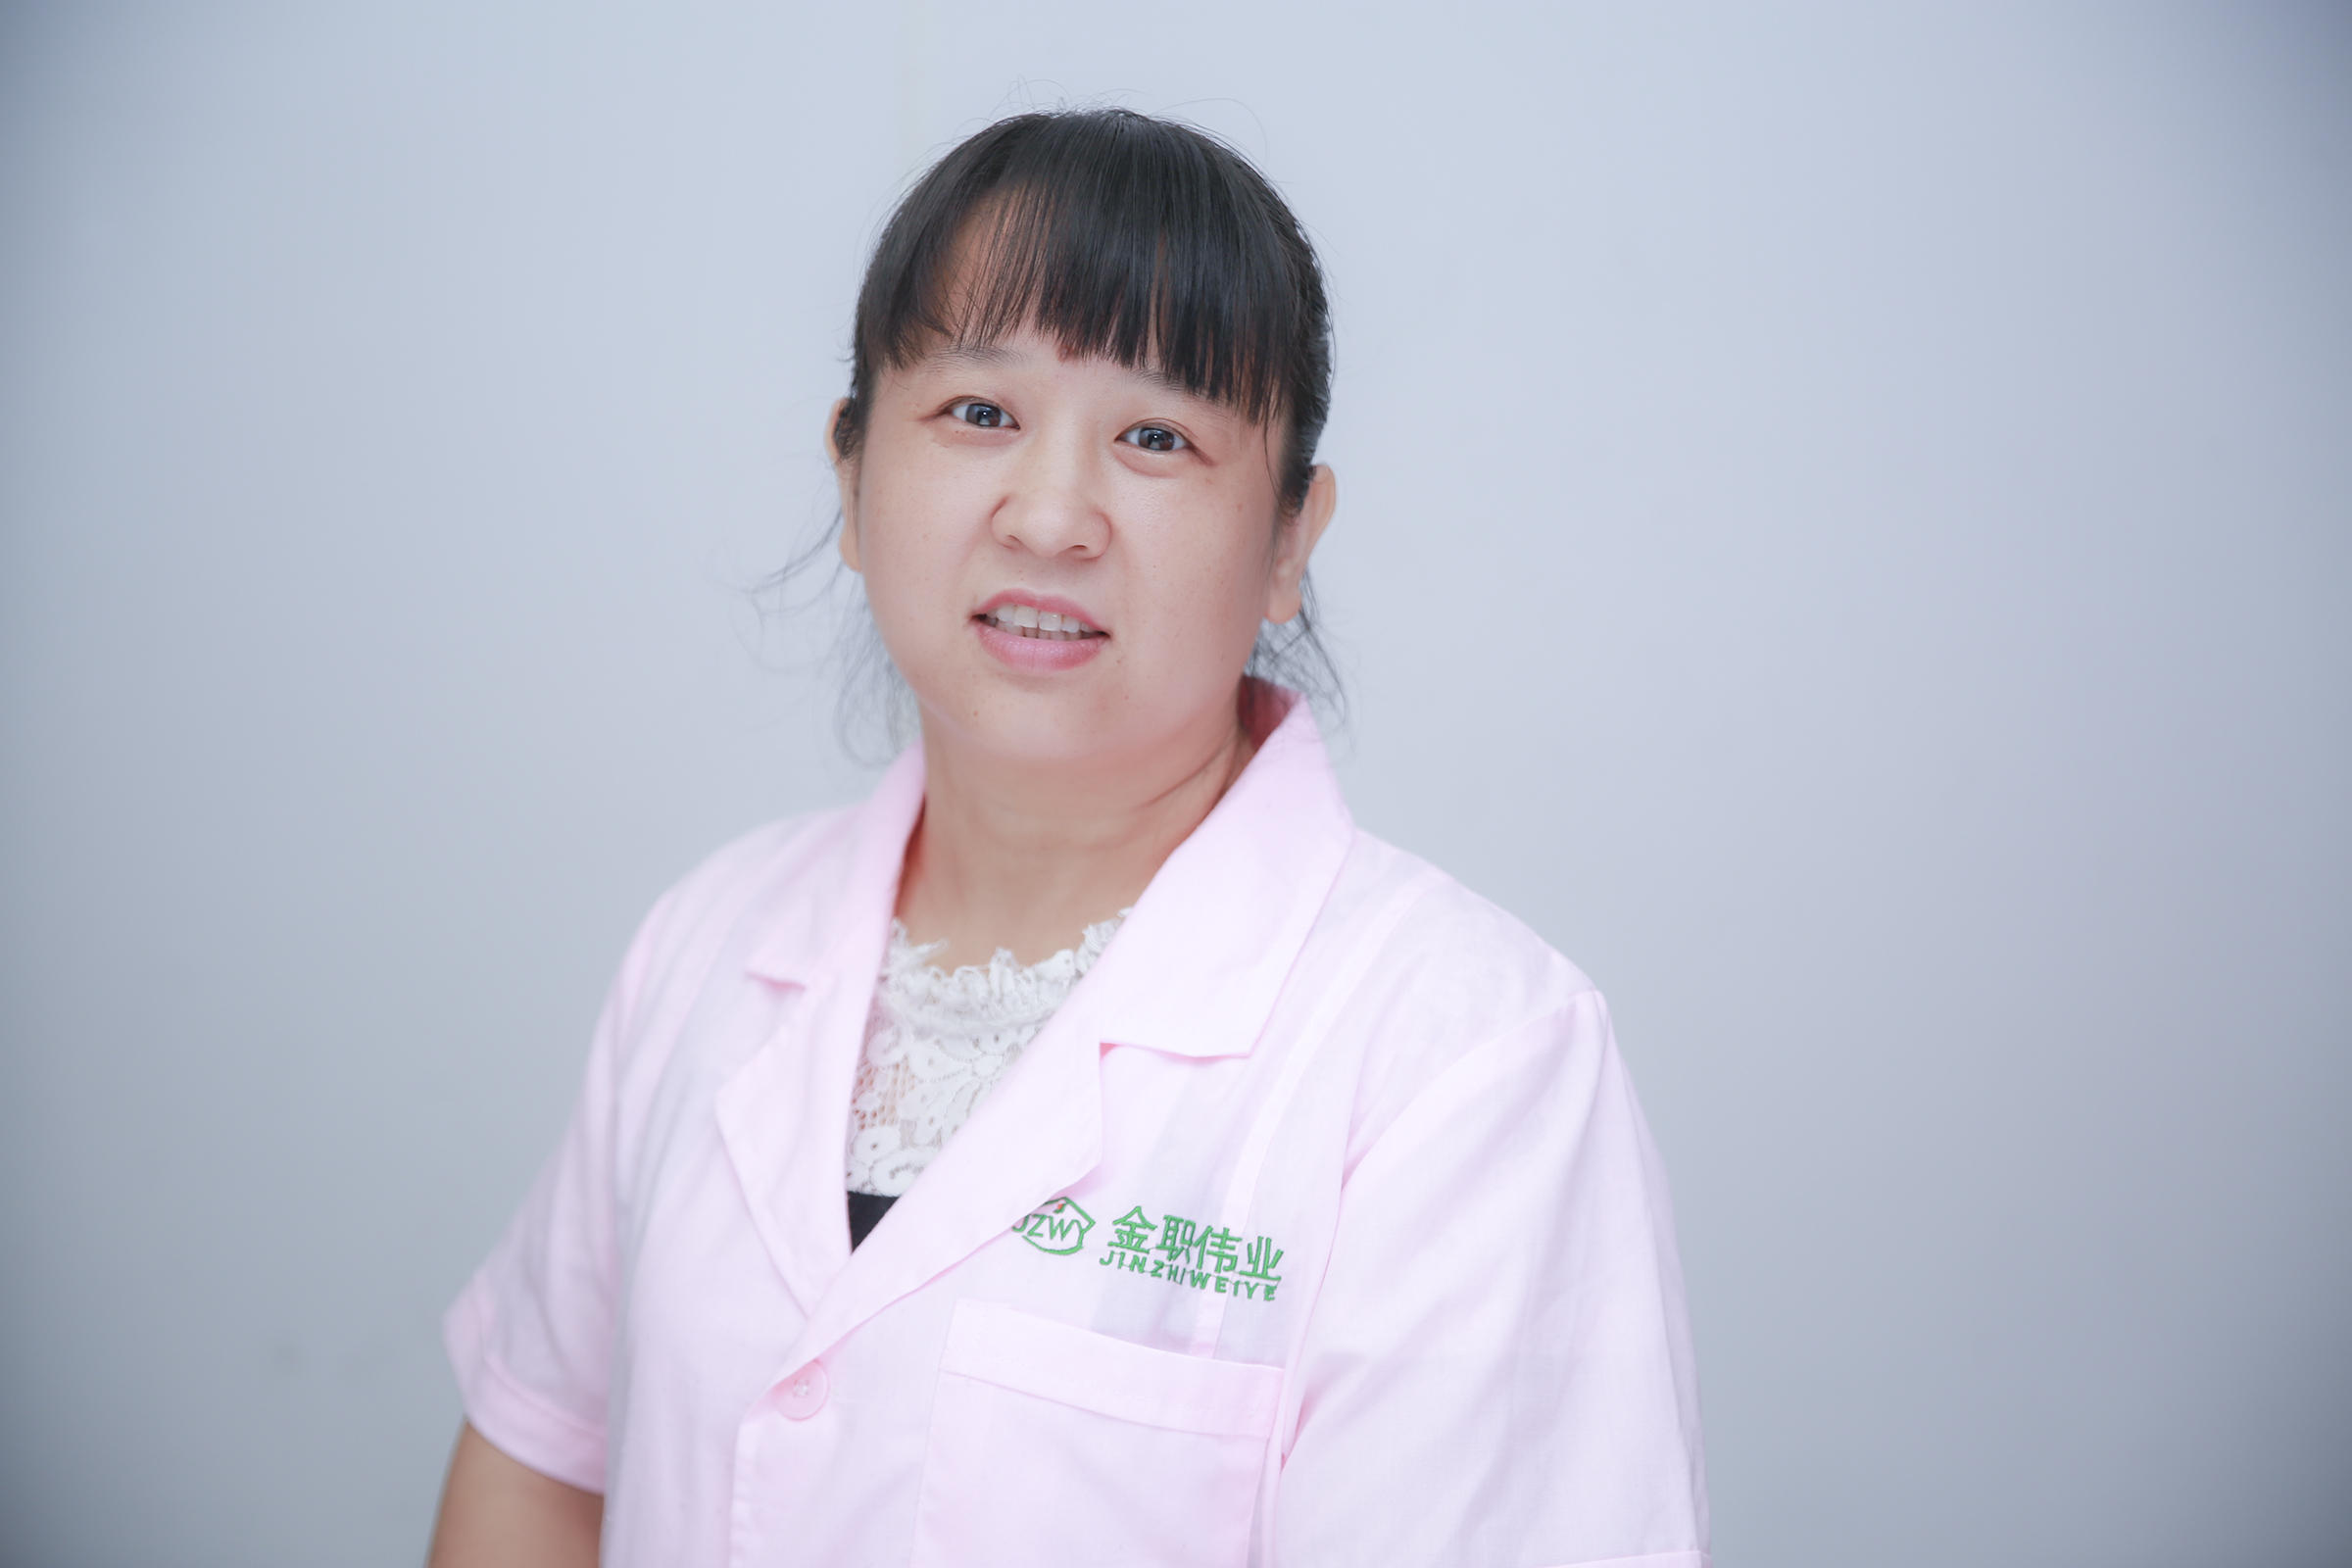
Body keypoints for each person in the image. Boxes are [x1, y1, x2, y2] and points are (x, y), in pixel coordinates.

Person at [426, 107, 1708, 1568]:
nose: (1049, 517)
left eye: (1157, 436)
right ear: (851, 473)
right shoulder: (709, 943)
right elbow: (540, 1467)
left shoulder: (1466, 1063)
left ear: (1290, 539)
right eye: (980, 412)